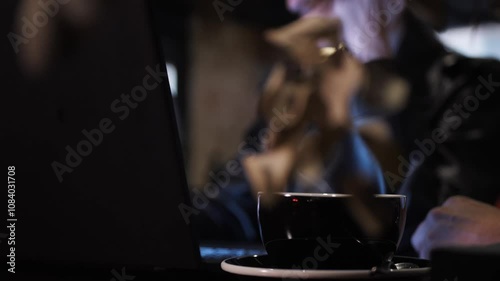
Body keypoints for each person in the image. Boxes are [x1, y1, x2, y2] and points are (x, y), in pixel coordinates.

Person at [195, 0, 500, 259]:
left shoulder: (472, 90)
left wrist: (374, 75)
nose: (294, 4)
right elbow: (238, 208)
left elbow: (420, 237)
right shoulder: (297, 95)